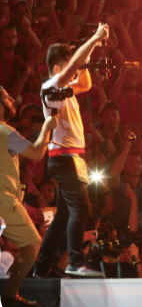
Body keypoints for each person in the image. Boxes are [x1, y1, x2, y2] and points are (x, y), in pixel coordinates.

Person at [33, 23, 110, 278]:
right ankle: (76, 261)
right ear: (58, 68)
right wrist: (95, 39)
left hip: (69, 158)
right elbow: (76, 66)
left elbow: (85, 84)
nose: (74, 69)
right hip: (64, 158)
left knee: (65, 215)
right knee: (80, 209)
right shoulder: (51, 87)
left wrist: (85, 59)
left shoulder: (62, 91)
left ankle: (42, 268)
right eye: (70, 66)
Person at [0, 86, 58, 307]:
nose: (12, 99)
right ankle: (11, 295)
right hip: (3, 200)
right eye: (6, 96)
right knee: (32, 243)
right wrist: (47, 127)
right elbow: (36, 152)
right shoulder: (5, 132)